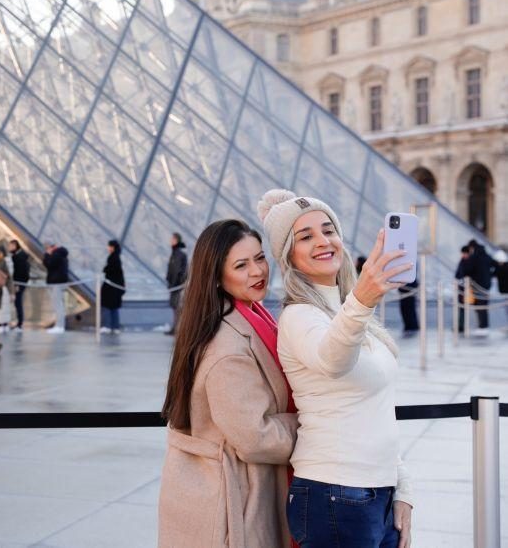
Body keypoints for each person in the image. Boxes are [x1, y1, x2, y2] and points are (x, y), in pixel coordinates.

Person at [257, 189, 412, 547]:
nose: (323, 241)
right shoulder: (299, 315)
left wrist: (403, 488)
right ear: (289, 256)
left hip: (379, 492)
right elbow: (333, 361)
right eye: (305, 236)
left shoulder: (349, 311)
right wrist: (363, 298)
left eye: (328, 230)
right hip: (334, 493)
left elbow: (377, 411)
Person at [159, 219, 297, 547]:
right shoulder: (228, 348)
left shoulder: (247, 315)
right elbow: (255, 436)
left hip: (239, 488)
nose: (258, 271)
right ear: (217, 276)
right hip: (239, 501)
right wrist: (314, 424)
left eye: (260, 258)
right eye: (241, 265)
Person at [43, 239, 69, 333]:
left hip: (56, 282)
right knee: (59, 304)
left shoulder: (56, 254)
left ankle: (60, 326)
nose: (46, 250)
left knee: (58, 305)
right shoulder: (61, 254)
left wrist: (47, 255)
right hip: (59, 281)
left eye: (47, 248)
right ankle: (59, 325)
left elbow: (48, 264)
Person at [100, 239, 125, 334]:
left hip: (110, 286)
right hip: (116, 287)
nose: (108, 248)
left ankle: (107, 325)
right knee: (114, 307)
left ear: (112, 247)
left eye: (109, 246)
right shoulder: (117, 257)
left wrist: (105, 269)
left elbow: (110, 270)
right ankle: (115, 326)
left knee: (107, 306)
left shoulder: (112, 258)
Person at [165, 233, 188, 335]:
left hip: (177, 286)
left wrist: (173, 284)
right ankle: (175, 328)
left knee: (177, 307)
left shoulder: (178, 254)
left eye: (172, 239)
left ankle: (177, 329)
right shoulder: (175, 253)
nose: (170, 241)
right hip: (175, 286)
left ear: (176, 240)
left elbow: (177, 271)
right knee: (176, 307)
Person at [9, 239, 29, 331]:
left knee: (18, 303)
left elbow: (20, 272)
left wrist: (17, 284)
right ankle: (18, 323)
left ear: (15, 246)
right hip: (20, 282)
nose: (9, 248)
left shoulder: (19, 257)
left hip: (19, 283)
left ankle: (19, 324)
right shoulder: (19, 256)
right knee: (17, 302)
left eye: (11, 246)